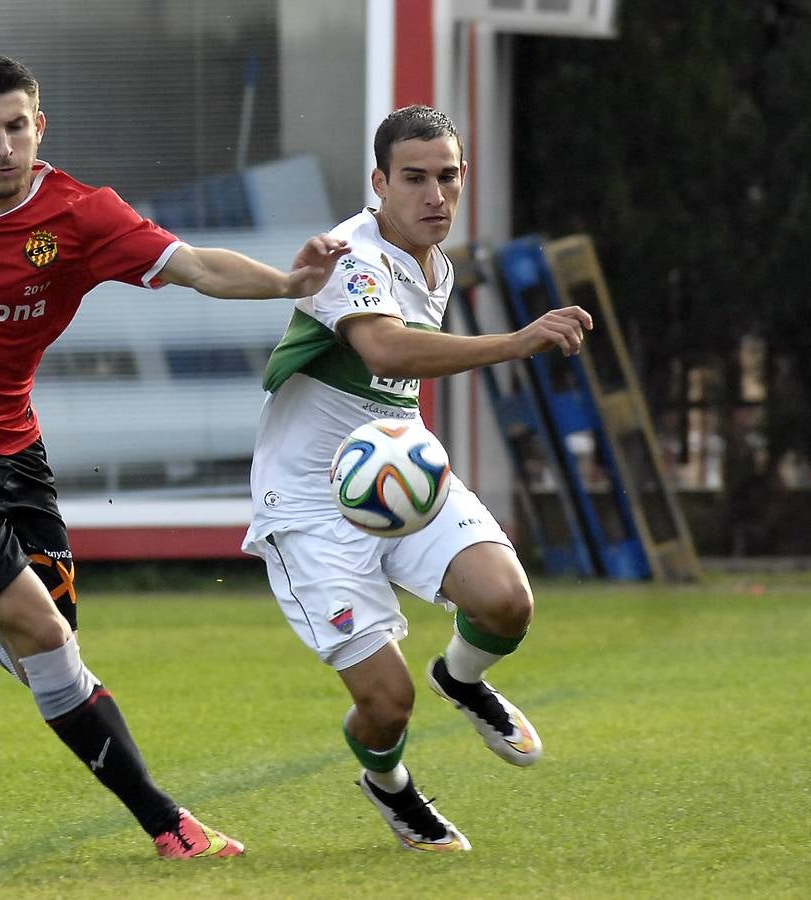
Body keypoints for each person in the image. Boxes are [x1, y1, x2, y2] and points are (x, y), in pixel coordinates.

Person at [0, 53, 348, 861]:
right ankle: (169, 824)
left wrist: (291, 284)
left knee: (52, 647)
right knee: (44, 638)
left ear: (39, 125)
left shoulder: (81, 218)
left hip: (13, 453)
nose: (5, 147)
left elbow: (197, 266)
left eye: (18, 127)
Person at [241, 105, 593, 853]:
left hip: (399, 466)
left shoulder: (437, 262)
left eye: (448, 176)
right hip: (308, 502)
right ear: (379, 183)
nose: (435, 195)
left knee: (505, 602)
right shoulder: (351, 255)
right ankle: (391, 786)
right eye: (414, 178)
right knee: (387, 703)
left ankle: (461, 679)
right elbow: (387, 352)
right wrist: (517, 342)